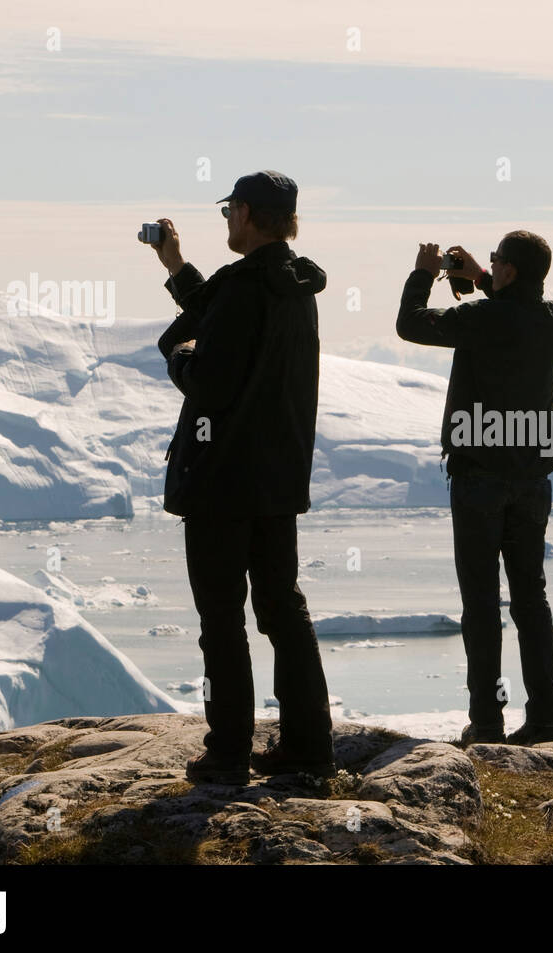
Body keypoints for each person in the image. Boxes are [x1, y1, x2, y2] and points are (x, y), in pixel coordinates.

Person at [151, 170, 334, 785]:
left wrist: (181, 358)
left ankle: (228, 751)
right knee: (283, 610)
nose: (227, 218)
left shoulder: (246, 286)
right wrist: (175, 264)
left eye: (230, 209)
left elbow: (211, 378)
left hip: (222, 481)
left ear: (249, 213)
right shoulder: (293, 285)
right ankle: (309, 744)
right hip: (277, 480)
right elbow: (221, 309)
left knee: (221, 620)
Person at [395, 232, 553, 746]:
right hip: (532, 478)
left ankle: (487, 720)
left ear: (511, 269)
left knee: (480, 601)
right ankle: (546, 721)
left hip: (479, 476)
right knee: (530, 600)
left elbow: (409, 325)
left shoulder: (481, 320)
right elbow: (516, 310)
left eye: (496, 261)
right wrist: (482, 277)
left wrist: (426, 271)